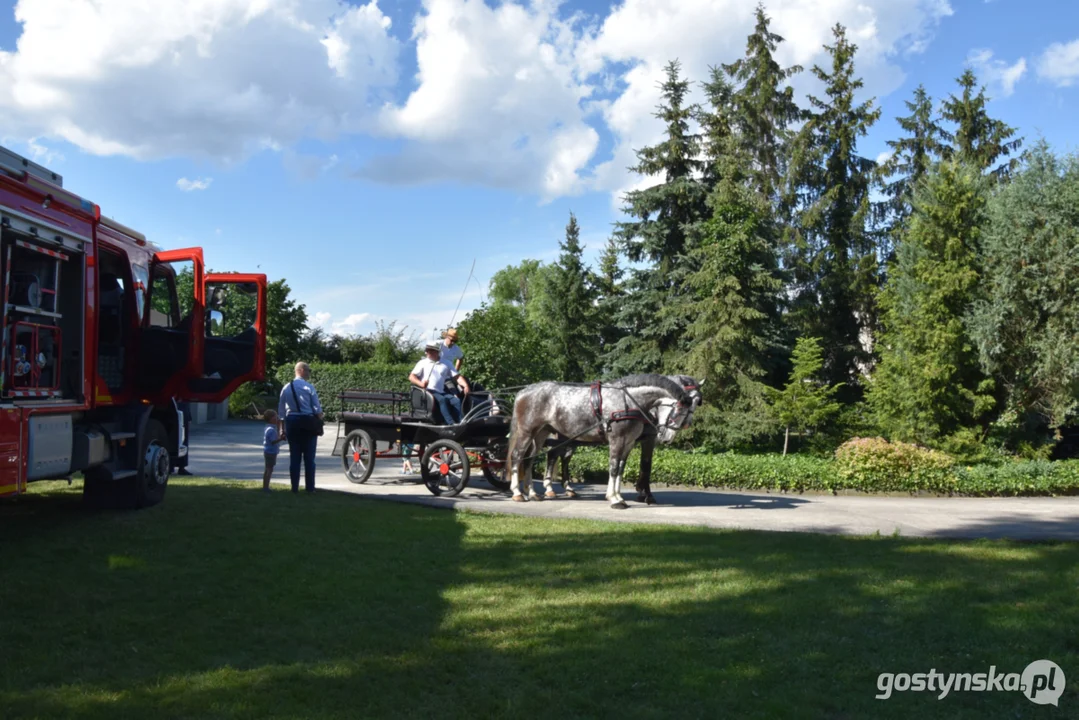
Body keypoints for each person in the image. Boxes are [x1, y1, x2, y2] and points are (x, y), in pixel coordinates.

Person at [277, 361, 324, 493]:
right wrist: (320, 420)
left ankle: (294, 488)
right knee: (309, 458)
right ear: (302, 370)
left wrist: (282, 429)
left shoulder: (286, 387)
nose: (309, 373)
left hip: (292, 421)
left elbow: (281, 411)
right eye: (308, 370)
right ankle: (310, 488)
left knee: (295, 457)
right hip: (307, 421)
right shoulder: (309, 387)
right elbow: (317, 409)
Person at [409, 343, 470, 424]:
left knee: (456, 401)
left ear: (437, 352)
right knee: (442, 400)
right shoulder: (422, 363)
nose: (427, 353)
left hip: (441, 391)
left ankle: (460, 421)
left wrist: (466, 386)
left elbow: (457, 377)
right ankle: (450, 423)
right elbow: (411, 377)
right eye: (426, 351)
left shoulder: (446, 363)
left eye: (429, 351)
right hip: (427, 391)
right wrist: (421, 384)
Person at [262, 410, 286, 492]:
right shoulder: (271, 430)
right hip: (270, 451)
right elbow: (273, 441)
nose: (277, 419)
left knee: (268, 468)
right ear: (271, 419)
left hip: (269, 451)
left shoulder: (269, 428)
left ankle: (265, 486)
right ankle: (266, 487)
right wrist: (281, 439)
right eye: (276, 417)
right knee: (269, 469)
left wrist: (279, 426)